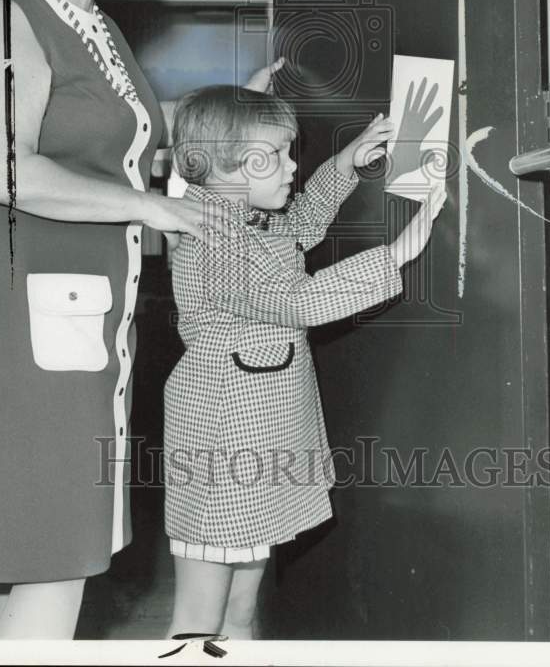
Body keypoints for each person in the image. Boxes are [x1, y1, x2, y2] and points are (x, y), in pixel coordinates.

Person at [0, 0, 281, 639]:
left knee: (56, 547)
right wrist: (152, 208)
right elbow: (2, 172)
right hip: (20, 319)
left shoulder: (98, 29)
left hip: (79, 319)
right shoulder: (14, 21)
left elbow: (126, 160)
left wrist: (234, 122)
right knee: (51, 544)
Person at [164, 85, 446, 638]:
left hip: (258, 440)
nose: (293, 166)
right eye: (276, 156)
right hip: (222, 447)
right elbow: (304, 300)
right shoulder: (209, 239)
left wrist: (344, 165)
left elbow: (296, 227)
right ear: (219, 166)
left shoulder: (240, 213)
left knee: (242, 608)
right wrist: (397, 253)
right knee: (199, 620)